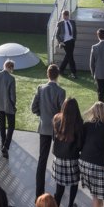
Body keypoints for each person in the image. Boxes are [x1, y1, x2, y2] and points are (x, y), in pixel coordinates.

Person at [31, 64, 66, 199]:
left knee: (42, 160)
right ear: (57, 75)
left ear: (48, 74)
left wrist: (43, 116)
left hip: (44, 128)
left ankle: (38, 194)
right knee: (60, 160)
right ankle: (58, 195)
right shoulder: (61, 91)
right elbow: (63, 113)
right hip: (57, 130)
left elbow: (33, 108)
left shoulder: (41, 88)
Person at [52, 97, 84, 207]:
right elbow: (80, 145)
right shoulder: (79, 123)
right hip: (73, 159)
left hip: (58, 159)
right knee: (74, 184)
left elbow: (53, 138)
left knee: (59, 187)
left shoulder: (56, 119)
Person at [55, 10, 77, 78]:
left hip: (72, 41)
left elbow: (75, 31)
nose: (65, 17)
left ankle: (61, 70)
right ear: (63, 16)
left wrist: (74, 39)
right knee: (70, 57)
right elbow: (57, 35)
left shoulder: (72, 22)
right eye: (64, 15)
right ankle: (73, 73)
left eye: (66, 15)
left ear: (68, 15)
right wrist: (60, 42)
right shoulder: (60, 23)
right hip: (65, 42)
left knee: (68, 56)